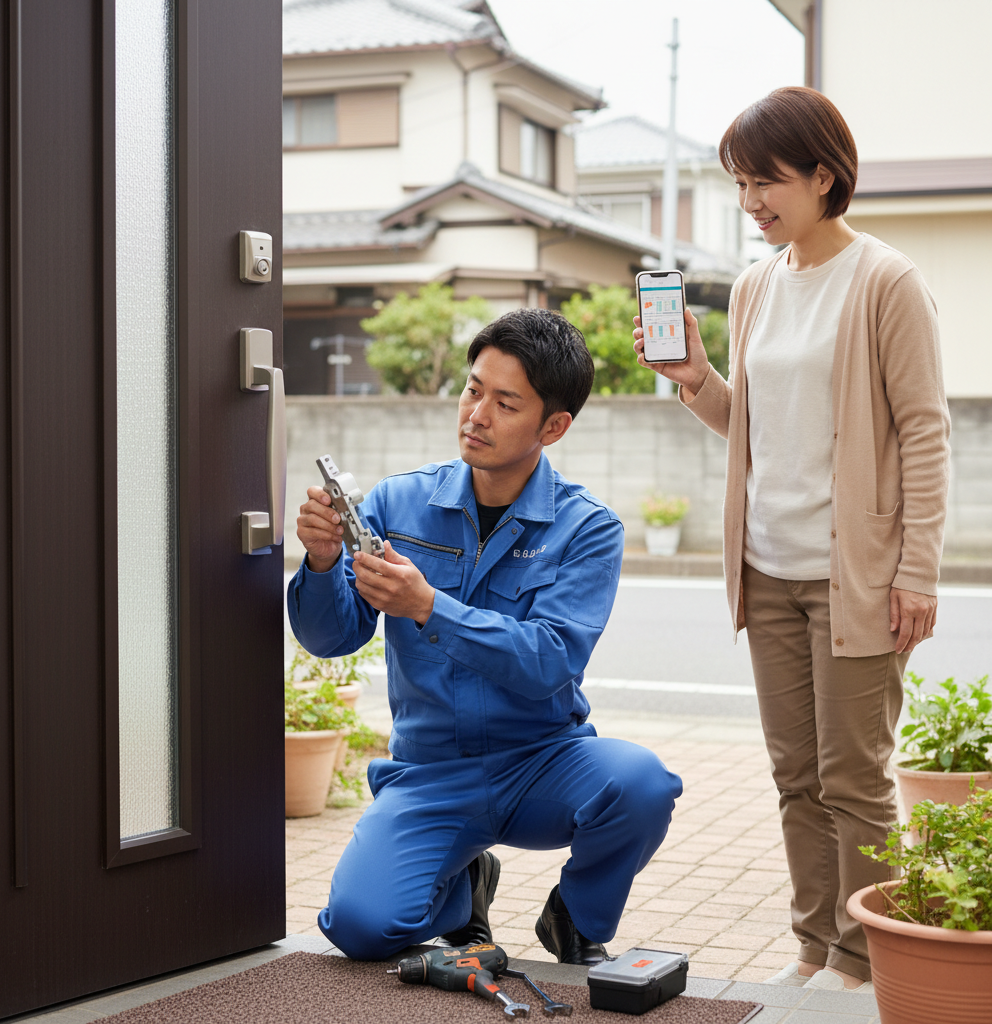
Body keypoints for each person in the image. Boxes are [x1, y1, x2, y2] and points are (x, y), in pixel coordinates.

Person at [634, 87, 950, 994]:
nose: (751, 202)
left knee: (854, 778)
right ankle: (814, 945)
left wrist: (916, 570)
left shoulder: (886, 281)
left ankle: (863, 957)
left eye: (764, 181)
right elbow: (755, 426)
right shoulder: (756, 285)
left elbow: (925, 433)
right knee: (793, 777)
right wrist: (695, 379)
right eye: (739, 183)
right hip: (767, 567)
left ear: (823, 174)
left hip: (854, 572)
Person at [290, 308, 683, 963]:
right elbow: (331, 639)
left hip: (542, 762)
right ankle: (463, 887)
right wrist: (323, 562)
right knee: (359, 927)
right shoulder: (397, 505)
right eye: (474, 390)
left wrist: (429, 607)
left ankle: (576, 919)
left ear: (553, 426)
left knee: (642, 784)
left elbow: (549, 660)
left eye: (505, 403)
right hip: (430, 773)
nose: (476, 414)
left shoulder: (587, 528)